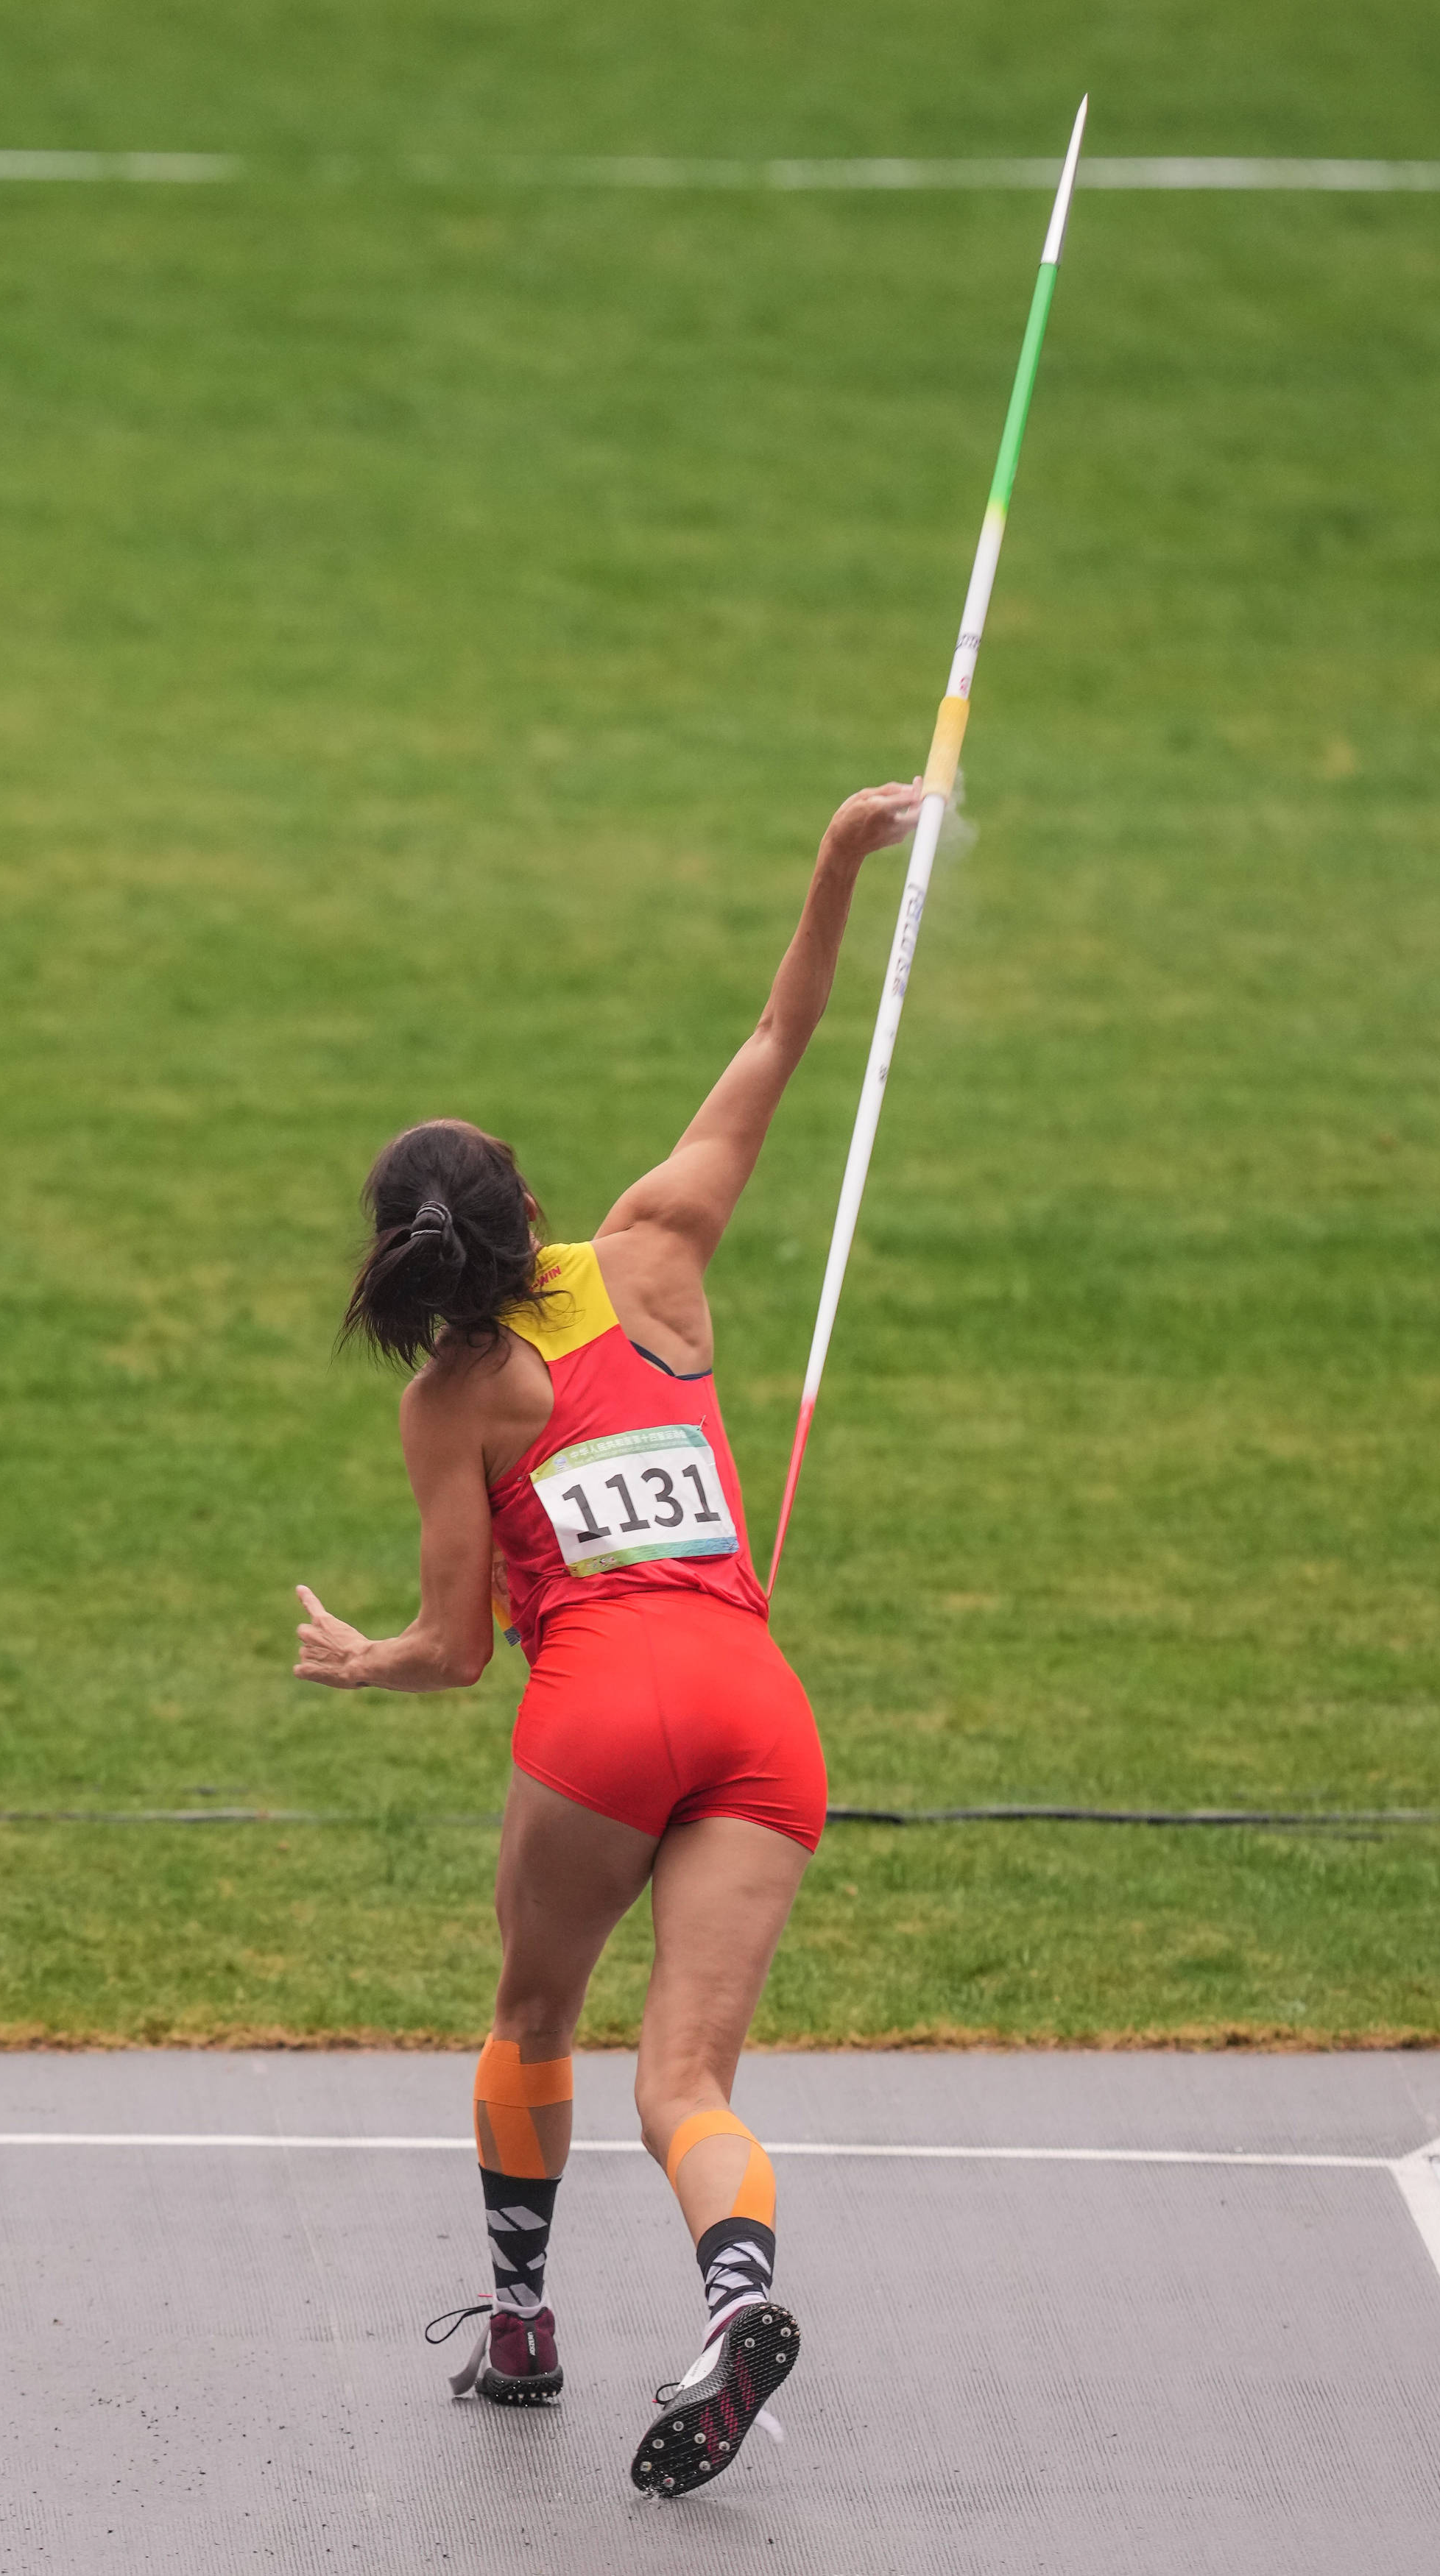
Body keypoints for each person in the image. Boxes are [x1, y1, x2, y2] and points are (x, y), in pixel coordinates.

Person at [294, 777, 922, 2494]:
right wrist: (830, 861)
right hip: (755, 1706)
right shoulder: (654, 1248)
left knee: (534, 2013)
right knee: (690, 2077)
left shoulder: (449, 1399)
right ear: (524, 1206)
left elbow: (457, 1645)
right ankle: (734, 2293)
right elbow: (781, 1031)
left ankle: (520, 2329)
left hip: (602, 1716)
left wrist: (363, 1661)